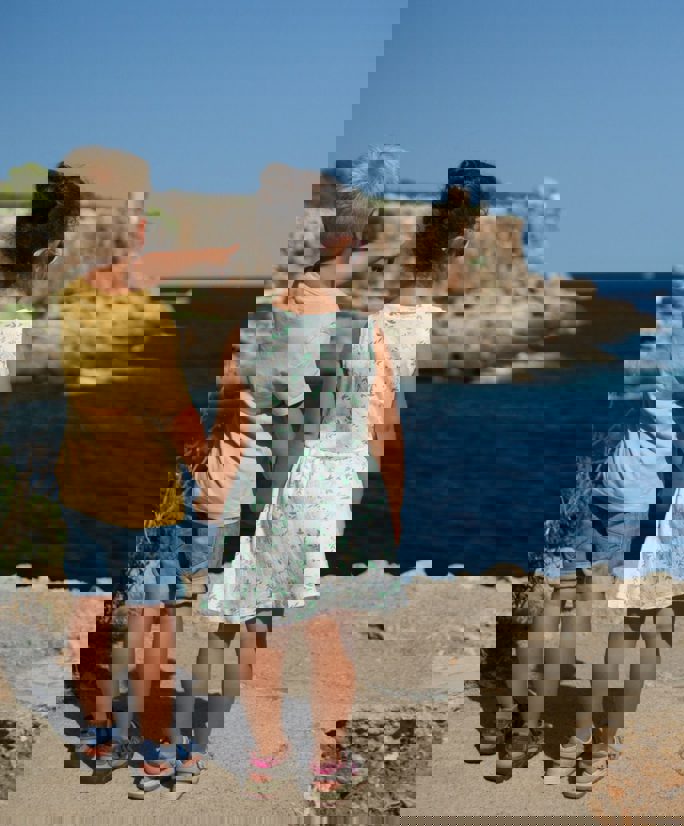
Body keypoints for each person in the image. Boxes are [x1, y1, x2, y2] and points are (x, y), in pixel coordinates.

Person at [486, 127, 684, 798]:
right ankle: (589, 756)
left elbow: (664, 405)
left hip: (632, 475)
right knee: (646, 630)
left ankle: (513, 739)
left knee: (562, 602)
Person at [185, 171, 484, 801]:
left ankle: (269, 749)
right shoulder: (361, 335)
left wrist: (210, 495)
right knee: (327, 636)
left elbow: (229, 432)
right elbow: (383, 429)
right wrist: (397, 506)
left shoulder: (253, 331)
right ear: (345, 252)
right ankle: (326, 757)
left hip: (257, 506)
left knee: (257, 631)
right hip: (333, 509)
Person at [4, 147, 229, 795]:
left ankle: (98, 737)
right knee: (151, 623)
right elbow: (172, 411)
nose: (146, 223)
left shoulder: (66, 303)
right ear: (122, 228)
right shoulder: (142, 313)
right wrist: (208, 473)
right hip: (146, 496)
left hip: (84, 482)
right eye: (139, 214)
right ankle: (156, 750)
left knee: (95, 611)